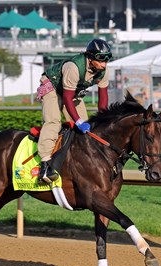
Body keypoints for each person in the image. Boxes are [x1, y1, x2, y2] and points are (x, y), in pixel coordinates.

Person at [36, 38, 113, 183]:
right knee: (53, 121)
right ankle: (45, 166)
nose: (104, 63)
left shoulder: (103, 71)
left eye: (107, 59)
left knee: (86, 128)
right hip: (52, 87)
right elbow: (66, 99)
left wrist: (103, 120)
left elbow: (103, 98)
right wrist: (77, 121)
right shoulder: (74, 67)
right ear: (90, 58)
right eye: (101, 59)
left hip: (70, 91)